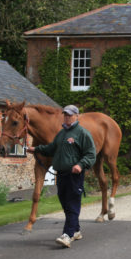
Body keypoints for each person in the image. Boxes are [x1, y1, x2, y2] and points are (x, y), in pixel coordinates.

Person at [33, 105, 96, 248]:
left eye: (70, 115)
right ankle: (76, 230)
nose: (67, 117)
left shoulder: (82, 133)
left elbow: (91, 154)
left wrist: (80, 165)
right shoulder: (61, 134)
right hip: (61, 174)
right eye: (65, 115)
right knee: (65, 202)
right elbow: (50, 149)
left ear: (76, 116)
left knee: (73, 203)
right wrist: (35, 149)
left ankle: (67, 235)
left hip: (74, 175)